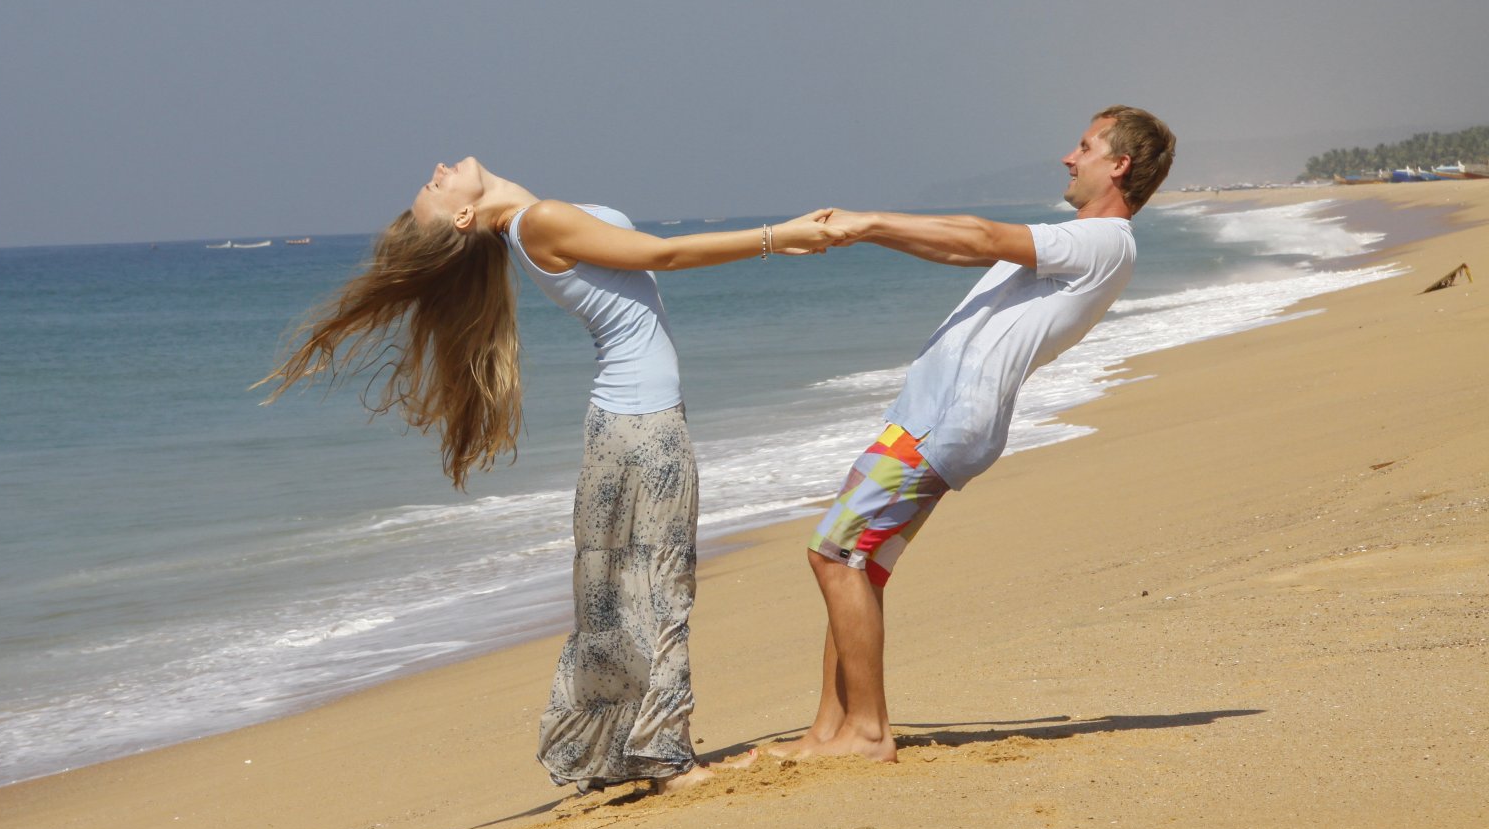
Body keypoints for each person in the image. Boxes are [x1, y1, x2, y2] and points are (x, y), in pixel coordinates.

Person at [262, 157, 842, 792]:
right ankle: (667, 761)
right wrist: (775, 237)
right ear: (462, 215)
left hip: (619, 425)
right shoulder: (538, 223)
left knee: (619, 595)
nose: (438, 167)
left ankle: (623, 751)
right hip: (644, 428)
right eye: (435, 184)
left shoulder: (529, 223)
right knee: (661, 586)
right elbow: (665, 253)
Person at [778, 106, 1177, 763]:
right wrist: (861, 235)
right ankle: (828, 730)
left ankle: (868, 733)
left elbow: (979, 234)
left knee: (833, 552)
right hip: (932, 419)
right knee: (860, 564)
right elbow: (957, 246)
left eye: (1083, 146)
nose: (1068, 158)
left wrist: (870, 220)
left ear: (1119, 165)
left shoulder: (1103, 242)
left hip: (941, 423)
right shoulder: (1079, 245)